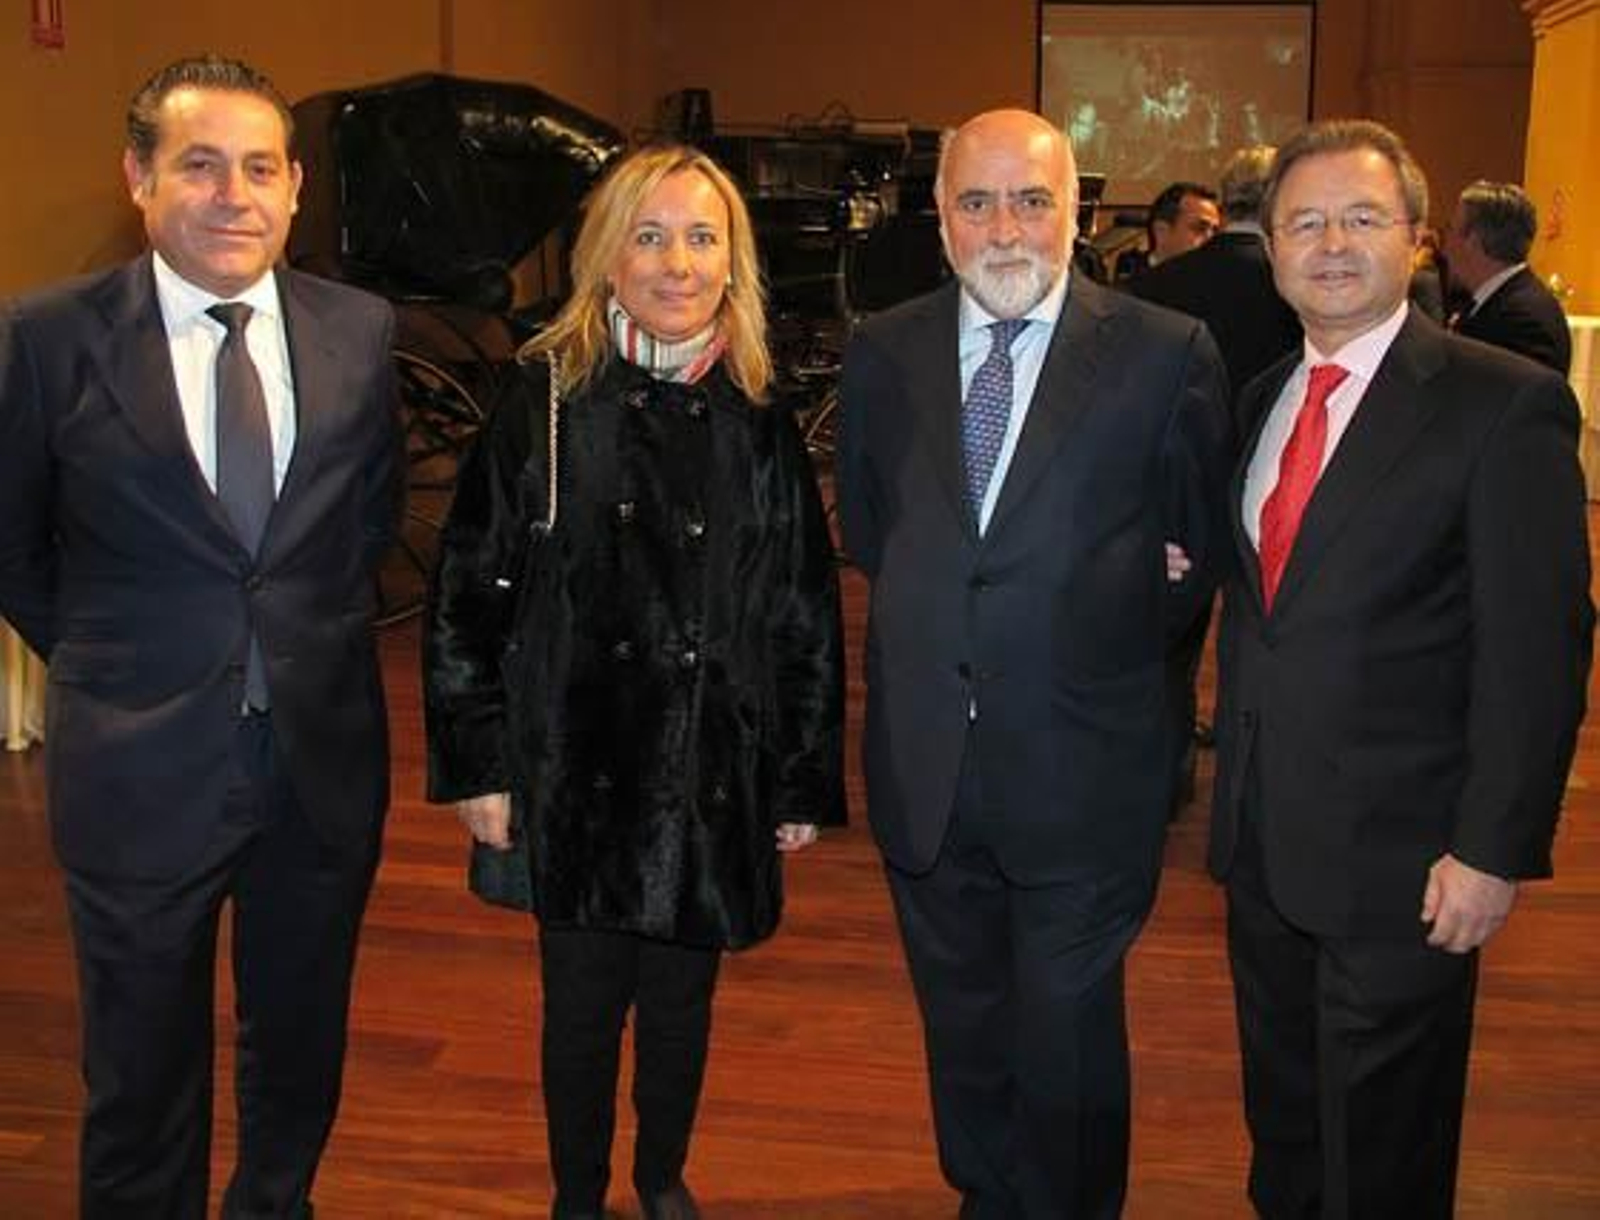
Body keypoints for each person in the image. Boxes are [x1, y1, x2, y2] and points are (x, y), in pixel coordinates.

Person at [0, 55, 403, 1218]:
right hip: (135, 768)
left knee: (300, 1044)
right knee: (137, 1073)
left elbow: (364, 522)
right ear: (138, 177)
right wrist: (110, 654)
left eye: (261, 169)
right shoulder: (46, 337)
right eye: (199, 165)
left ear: (294, 190)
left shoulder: (361, 331)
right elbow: (15, 540)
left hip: (320, 767)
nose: (234, 195)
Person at [423, 144, 844, 1220]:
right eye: (648, 236)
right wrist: (479, 761)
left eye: (702, 237)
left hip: (711, 766)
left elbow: (801, 607)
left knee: (680, 1004)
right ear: (607, 256)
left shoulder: (757, 416)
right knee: (577, 1009)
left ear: (732, 262)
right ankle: (577, 1192)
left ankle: (660, 1176)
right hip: (574, 768)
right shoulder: (545, 400)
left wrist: (798, 779)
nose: (675, 262)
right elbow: (469, 591)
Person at [837, 109, 1231, 1217]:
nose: (1004, 227)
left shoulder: (1165, 352)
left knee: (1065, 1029)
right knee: (959, 1016)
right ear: (940, 217)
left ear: (1076, 212)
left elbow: (1194, 552)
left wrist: (1087, 618)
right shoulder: (885, 350)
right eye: (977, 201)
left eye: (1032, 200)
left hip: (1085, 763)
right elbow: (880, 533)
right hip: (927, 764)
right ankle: (985, 1189)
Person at [1209, 119, 1592, 1219]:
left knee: (1383, 1150)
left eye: (1361, 218)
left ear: (1418, 240)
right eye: (1305, 222)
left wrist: (1491, 848)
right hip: (1263, 845)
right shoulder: (1263, 397)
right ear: (1271, 246)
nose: (1331, 243)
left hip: (1410, 860)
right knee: (1284, 1126)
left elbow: (1539, 647)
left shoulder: (1499, 401)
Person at [1126, 145, 1303, 814]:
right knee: (1263, 640)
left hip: (1174, 490)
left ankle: (1166, 783)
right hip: (1277, 485)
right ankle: (1252, 787)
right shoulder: (1299, 284)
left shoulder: (1155, 286)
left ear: (1224, 204)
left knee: (1171, 646)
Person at [1444, 179, 1573, 376]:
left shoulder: (1524, 322)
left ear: (1473, 241)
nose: (1446, 244)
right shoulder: (1499, 300)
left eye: (1451, 228)